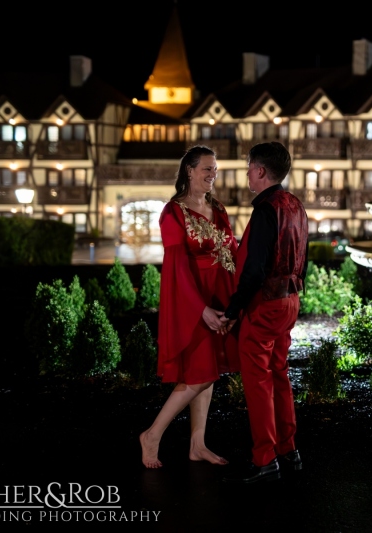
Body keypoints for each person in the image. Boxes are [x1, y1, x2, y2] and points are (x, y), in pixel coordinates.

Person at [139, 145, 239, 469]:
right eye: (207, 169)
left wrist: (236, 300)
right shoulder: (173, 212)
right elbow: (177, 267)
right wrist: (201, 309)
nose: (213, 175)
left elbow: (233, 250)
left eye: (215, 170)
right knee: (199, 374)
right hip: (189, 299)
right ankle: (152, 434)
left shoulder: (218, 209)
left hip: (218, 296)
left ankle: (197, 444)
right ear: (190, 171)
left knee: (206, 372)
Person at [219, 141, 309, 484]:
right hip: (290, 300)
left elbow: (254, 270)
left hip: (265, 302)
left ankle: (265, 460)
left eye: (248, 169)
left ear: (260, 171)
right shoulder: (296, 205)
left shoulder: (265, 209)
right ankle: (289, 451)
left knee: (257, 381)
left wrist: (232, 310)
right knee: (279, 374)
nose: (246, 176)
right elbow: (305, 258)